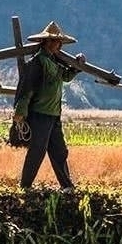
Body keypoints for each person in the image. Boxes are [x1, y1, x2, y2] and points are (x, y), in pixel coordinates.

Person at [13, 21, 86, 192]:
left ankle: (67, 186)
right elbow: (28, 88)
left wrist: (77, 65)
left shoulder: (54, 61)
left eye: (59, 42)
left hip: (54, 114)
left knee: (59, 150)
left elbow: (66, 76)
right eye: (54, 41)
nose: (58, 44)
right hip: (39, 114)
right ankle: (25, 186)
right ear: (46, 42)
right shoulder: (38, 62)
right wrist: (20, 111)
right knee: (37, 150)